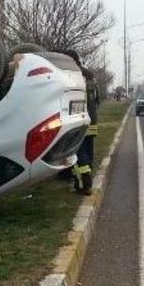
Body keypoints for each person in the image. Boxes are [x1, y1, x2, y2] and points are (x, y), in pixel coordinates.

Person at [63, 50, 100, 195]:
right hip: (92, 121)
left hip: (78, 120)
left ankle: (84, 184)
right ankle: (88, 176)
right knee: (88, 150)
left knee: (77, 152)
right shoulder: (89, 75)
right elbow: (97, 101)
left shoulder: (72, 75)